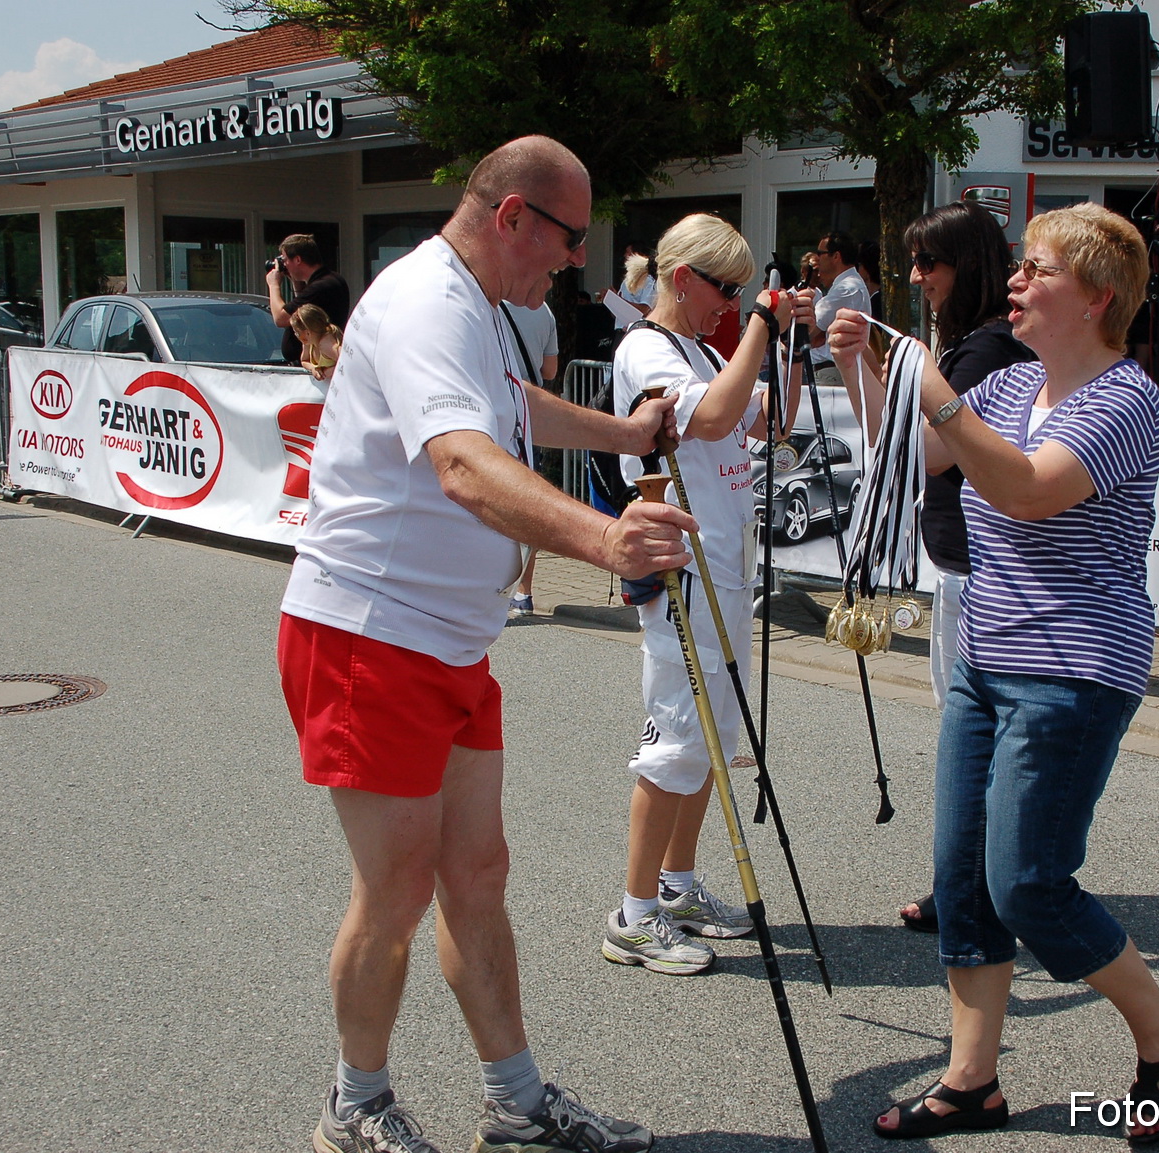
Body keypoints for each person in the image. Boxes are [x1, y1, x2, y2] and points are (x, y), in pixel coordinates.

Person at [278, 135, 692, 1153]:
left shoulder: (480, 303)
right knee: (397, 890)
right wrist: (607, 538)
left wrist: (623, 435)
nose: (577, 262)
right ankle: (354, 1106)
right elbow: (463, 463)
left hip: (447, 642)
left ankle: (515, 1102)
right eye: (568, 238)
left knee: (478, 874)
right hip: (371, 633)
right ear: (512, 216)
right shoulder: (429, 301)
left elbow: (511, 407)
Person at [829, 202, 1159, 1146]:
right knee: (962, 881)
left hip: (1074, 670)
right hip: (985, 661)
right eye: (1021, 266)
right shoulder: (1008, 385)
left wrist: (932, 388)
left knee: (1028, 883)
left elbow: (1028, 490)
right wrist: (860, 368)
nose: (1016, 280)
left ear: (1098, 296)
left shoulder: (1125, 400)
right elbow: (916, 453)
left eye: (1038, 269)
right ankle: (972, 1080)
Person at [602, 213, 812, 976]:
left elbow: (771, 421)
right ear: (683, 277)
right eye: (725, 288)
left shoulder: (702, 347)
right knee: (674, 742)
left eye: (740, 292)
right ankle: (633, 916)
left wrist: (790, 341)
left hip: (724, 568)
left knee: (714, 743)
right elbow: (715, 415)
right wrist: (760, 323)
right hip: (681, 567)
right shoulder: (645, 349)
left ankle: (678, 885)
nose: (731, 304)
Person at [892, 202, 1035, 936]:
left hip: (977, 569)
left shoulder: (983, 351)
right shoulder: (980, 344)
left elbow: (922, 452)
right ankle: (982, 883)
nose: (918, 278)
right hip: (969, 561)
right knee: (977, 733)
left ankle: (976, 890)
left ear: (967, 265)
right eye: (914, 263)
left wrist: (900, 371)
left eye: (930, 263)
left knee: (973, 737)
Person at [500, 299, 560, 617]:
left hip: (496, 413)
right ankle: (524, 590)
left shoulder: (490, 304)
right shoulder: (545, 310)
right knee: (527, 502)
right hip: (529, 416)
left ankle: (492, 584)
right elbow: (550, 370)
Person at [267, 233, 350, 367]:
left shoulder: (320, 287)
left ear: (297, 259)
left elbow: (280, 318)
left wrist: (273, 285)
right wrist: (296, 282)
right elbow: (303, 308)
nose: (284, 265)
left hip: (320, 366)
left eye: (285, 259)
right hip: (315, 364)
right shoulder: (331, 279)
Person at [807, 230, 871, 388]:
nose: (817, 259)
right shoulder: (849, 285)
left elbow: (808, 330)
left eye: (820, 253)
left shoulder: (846, 288)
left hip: (831, 373)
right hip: (832, 370)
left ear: (836, 256)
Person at [290, 303, 343, 381]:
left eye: (297, 333)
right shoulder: (308, 343)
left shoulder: (326, 345)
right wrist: (313, 368)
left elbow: (349, 360)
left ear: (308, 333)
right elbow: (304, 360)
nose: (296, 336)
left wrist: (327, 372)